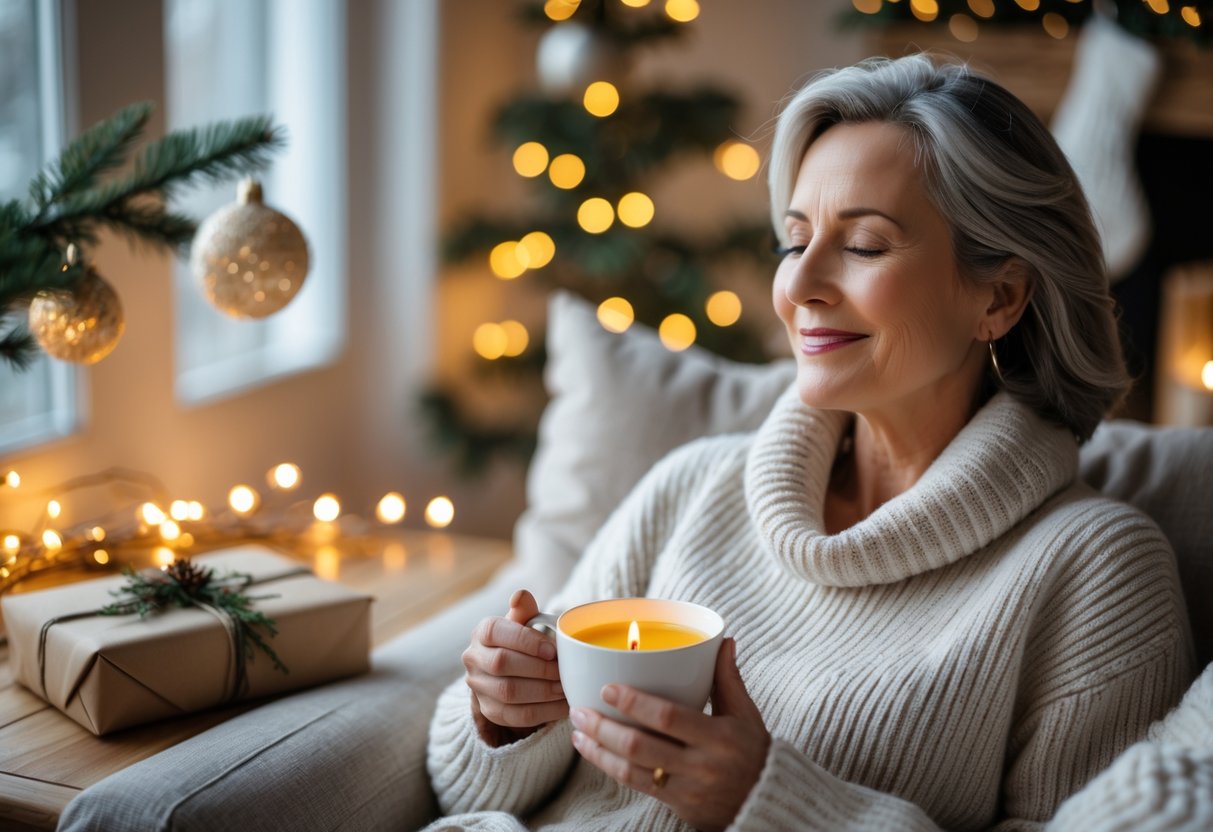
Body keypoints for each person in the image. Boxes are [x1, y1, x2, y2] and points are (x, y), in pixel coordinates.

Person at [425, 53, 1194, 831]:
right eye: (794, 242)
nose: (797, 287)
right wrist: (501, 715)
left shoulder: (1097, 569)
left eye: (862, 245)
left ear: (997, 296)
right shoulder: (692, 487)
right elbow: (467, 793)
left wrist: (770, 803)